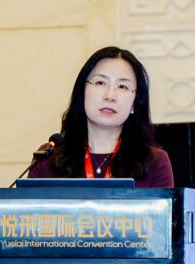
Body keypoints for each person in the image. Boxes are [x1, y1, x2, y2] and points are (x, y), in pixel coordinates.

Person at [28, 46, 174, 188]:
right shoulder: (48, 158)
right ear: (82, 91)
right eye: (100, 82)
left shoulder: (155, 162)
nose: (110, 96)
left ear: (135, 102)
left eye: (122, 86)